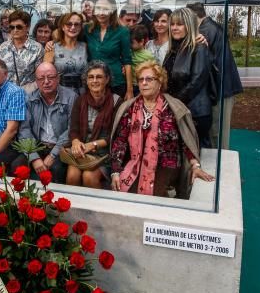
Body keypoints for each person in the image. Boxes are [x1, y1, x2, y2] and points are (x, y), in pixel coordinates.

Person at [110, 61, 214, 198]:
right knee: (124, 190)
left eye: (149, 79)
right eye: (141, 80)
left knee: (154, 194)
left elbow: (186, 141)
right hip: (136, 163)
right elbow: (120, 141)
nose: (144, 83)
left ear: (159, 83)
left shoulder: (174, 108)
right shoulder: (129, 108)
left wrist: (195, 166)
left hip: (167, 164)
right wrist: (116, 172)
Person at [187, 2, 243, 149]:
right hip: (224, 86)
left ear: (193, 16)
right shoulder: (213, 26)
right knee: (219, 131)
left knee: (215, 133)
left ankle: (218, 168)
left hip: (219, 89)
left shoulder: (205, 30)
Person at [13, 62, 77, 183]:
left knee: (56, 170)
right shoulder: (30, 99)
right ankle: (24, 200)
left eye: (51, 77)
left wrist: (53, 155)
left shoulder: (71, 97)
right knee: (17, 166)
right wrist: (34, 157)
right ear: (36, 81)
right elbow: (24, 130)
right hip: (36, 146)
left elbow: (72, 129)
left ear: (58, 78)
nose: (46, 82)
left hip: (60, 148)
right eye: (41, 78)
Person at [66, 61, 121, 189]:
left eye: (99, 77)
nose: (94, 81)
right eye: (91, 77)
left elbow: (115, 135)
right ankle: (71, 208)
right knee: (72, 176)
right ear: (86, 80)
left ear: (107, 79)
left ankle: (96, 209)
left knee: (89, 177)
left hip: (104, 154)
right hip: (82, 150)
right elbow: (74, 128)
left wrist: (93, 144)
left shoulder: (116, 101)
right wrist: (75, 142)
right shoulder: (80, 100)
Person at [163, 7, 213, 147]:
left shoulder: (199, 47)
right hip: (178, 110)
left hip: (195, 113)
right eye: (172, 24)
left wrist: (174, 103)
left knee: (196, 155)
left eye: (179, 24)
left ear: (189, 25)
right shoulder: (173, 49)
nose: (174, 28)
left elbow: (197, 81)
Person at [83, 0, 133, 100]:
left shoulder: (122, 31)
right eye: (98, 8)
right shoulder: (87, 29)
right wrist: (52, 42)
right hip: (94, 83)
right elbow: (67, 34)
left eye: (105, 9)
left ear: (112, 11)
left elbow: (127, 61)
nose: (101, 13)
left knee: (115, 115)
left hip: (116, 82)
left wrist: (129, 90)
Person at [0, 9, 44, 90]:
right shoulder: (3, 47)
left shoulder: (37, 48)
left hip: (28, 95)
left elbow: (40, 76)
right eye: (12, 27)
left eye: (19, 27)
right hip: (6, 94)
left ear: (28, 27)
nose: (15, 30)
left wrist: (26, 91)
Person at [44, 12, 87, 93]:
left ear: (81, 27)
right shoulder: (52, 47)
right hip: (60, 92)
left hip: (82, 93)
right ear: (63, 27)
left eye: (77, 24)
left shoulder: (85, 46)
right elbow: (45, 74)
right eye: (69, 24)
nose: (73, 27)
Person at [130, 25, 156, 94]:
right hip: (131, 84)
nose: (130, 45)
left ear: (141, 41)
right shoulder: (129, 52)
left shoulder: (148, 56)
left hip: (142, 84)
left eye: (132, 43)